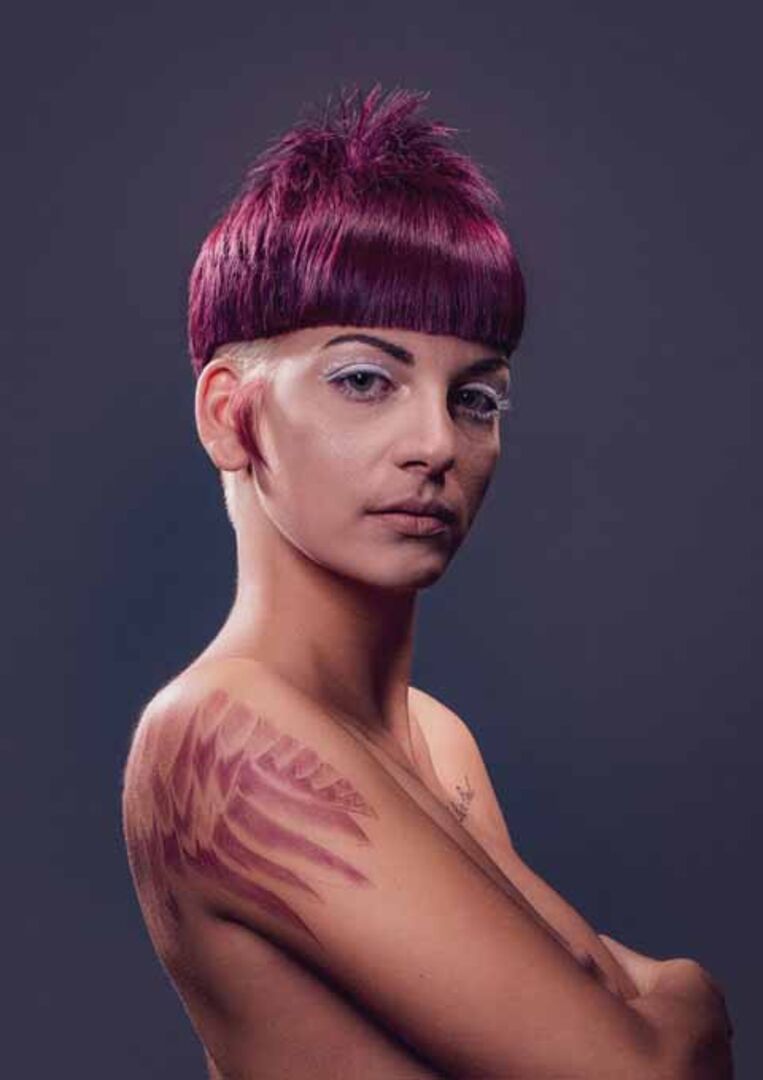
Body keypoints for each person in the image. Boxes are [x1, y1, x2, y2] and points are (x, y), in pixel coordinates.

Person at [121, 84, 733, 1078]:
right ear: (230, 415)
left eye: (476, 397)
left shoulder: (436, 740)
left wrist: (665, 1012)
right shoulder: (221, 735)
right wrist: (691, 995)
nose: (436, 444)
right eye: (365, 380)